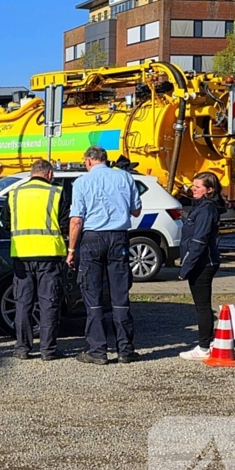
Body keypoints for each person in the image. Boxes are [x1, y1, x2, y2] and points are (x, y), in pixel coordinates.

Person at [66, 146, 142, 365]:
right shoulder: (125, 178)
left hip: (92, 238)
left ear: (89, 161)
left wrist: (71, 250)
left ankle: (97, 350)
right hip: (118, 238)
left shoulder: (82, 182)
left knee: (93, 296)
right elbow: (136, 210)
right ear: (105, 160)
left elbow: (76, 220)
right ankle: (125, 350)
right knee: (120, 296)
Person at [1, 158, 69, 361]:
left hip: (22, 255)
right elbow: (65, 223)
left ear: (32, 173)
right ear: (49, 174)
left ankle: (22, 348)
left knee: (23, 303)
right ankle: (47, 350)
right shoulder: (56, 192)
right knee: (49, 303)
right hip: (49, 255)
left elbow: (5, 223)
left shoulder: (14, 193)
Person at [177, 172, 223, 360]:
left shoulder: (206, 210)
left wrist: (185, 268)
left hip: (204, 263)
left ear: (209, 190)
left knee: (203, 307)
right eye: (193, 186)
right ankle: (209, 341)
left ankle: (204, 347)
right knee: (202, 306)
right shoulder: (201, 207)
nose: (193, 190)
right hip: (202, 261)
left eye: (197, 187)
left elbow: (199, 240)